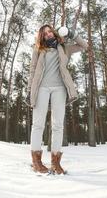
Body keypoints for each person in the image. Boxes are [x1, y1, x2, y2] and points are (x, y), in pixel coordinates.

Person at [27, 24, 88, 174]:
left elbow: (84, 45)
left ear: (54, 33)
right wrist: (29, 90)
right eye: (45, 33)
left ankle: (55, 163)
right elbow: (32, 69)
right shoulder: (39, 49)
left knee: (58, 125)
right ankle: (36, 162)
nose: (48, 34)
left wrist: (72, 33)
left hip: (60, 89)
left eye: (50, 31)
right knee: (38, 124)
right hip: (41, 88)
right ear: (41, 37)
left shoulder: (64, 47)